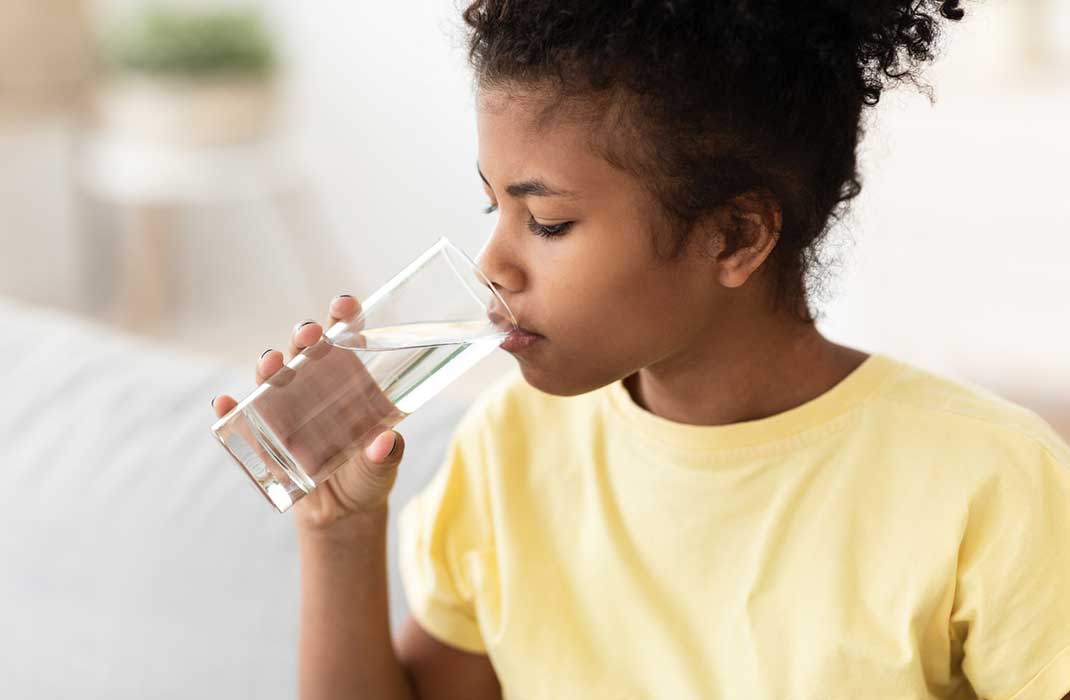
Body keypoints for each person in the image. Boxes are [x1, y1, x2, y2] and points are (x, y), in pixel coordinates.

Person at [211, 1, 1070, 698]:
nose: (493, 266)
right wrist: (339, 532)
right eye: (492, 209)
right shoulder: (508, 452)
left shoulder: (988, 483)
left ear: (734, 236)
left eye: (547, 222)